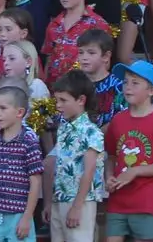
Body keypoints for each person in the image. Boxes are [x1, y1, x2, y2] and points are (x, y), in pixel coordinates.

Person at [105, 61, 153, 242]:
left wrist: (136, 171)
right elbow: (111, 156)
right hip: (118, 199)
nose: (128, 87)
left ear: (152, 90)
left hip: (146, 201)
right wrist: (108, 177)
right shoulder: (118, 120)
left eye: (135, 83)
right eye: (125, 82)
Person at [0, 85, 43, 242]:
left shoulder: (29, 143)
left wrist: (27, 216)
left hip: (19, 214)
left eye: (3, 108)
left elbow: (36, 181)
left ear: (19, 112)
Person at [46, 70, 105, 242]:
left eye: (63, 100)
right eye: (57, 100)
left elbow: (89, 171)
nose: (58, 105)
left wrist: (77, 207)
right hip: (60, 197)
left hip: (81, 201)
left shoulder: (91, 132)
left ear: (81, 100)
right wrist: (50, 202)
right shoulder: (64, 128)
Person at [40, 0, 110, 84]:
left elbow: (104, 63)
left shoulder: (97, 24)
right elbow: (49, 59)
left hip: (83, 89)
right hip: (54, 90)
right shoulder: (54, 24)